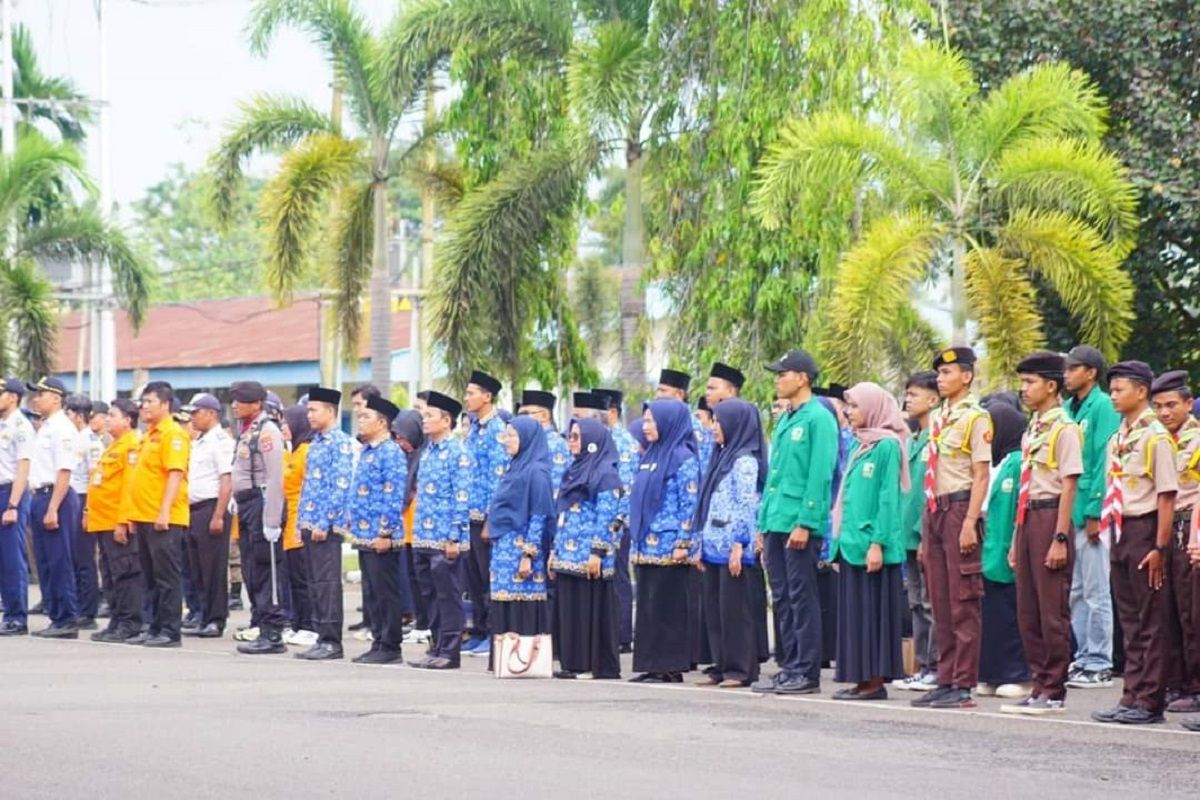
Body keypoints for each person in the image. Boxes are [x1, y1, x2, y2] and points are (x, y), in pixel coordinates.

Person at [1092, 361, 1177, 725]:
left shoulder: (1156, 436)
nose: (1112, 396)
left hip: (1146, 529)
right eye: (1111, 390)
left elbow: (1167, 496)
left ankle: (1150, 701)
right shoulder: (1119, 437)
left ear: (1141, 392)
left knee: (1150, 619)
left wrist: (1159, 548)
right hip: (1120, 528)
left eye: (1118, 390)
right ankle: (1131, 695)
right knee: (1129, 618)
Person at [999, 352, 1083, 716]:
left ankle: (1054, 688)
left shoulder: (1064, 428)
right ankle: (1038, 683)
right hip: (1029, 517)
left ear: (1051, 386)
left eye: (1031, 382)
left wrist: (1060, 537)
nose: (1024, 389)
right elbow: (1024, 485)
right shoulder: (1033, 428)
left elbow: (1068, 486)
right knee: (1027, 609)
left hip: (1052, 517)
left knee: (1052, 610)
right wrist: (1018, 538)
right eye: (1023, 382)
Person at [752, 351, 839, 695]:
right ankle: (789, 665)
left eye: (782, 374)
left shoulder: (819, 417)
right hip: (776, 519)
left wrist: (806, 521)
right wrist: (763, 524)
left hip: (798, 522)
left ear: (802, 377)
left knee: (803, 596)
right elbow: (775, 475)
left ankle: (807, 671)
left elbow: (821, 474)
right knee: (783, 596)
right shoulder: (788, 417)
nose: (777, 379)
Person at [912, 347, 992, 710]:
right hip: (936, 508)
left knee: (963, 601)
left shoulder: (976, 418)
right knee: (940, 599)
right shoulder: (940, 416)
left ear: (967, 376)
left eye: (947, 374)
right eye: (939, 374)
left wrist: (971, 522)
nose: (941, 380)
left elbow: (980, 474)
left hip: (961, 507)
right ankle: (945, 678)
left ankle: (962, 683)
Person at [829, 383, 908, 701]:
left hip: (871, 546)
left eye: (855, 406)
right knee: (855, 615)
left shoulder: (887, 446)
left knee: (872, 615)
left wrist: (878, 543)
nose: (849, 412)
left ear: (873, 408)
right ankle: (860, 678)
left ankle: (874, 681)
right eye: (847, 406)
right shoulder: (861, 444)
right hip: (852, 543)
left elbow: (889, 499)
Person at [629, 398, 700, 683]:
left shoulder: (682, 457)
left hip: (670, 545)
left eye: (650, 420)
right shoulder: (652, 454)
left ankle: (669, 666)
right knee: (648, 605)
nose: (646, 427)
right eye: (645, 421)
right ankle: (651, 663)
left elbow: (690, 503)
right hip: (646, 543)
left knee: (667, 605)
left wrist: (684, 543)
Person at [1063, 345, 1121, 689]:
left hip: (1091, 509)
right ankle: (1083, 656)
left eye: (1074, 369)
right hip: (1069, 510)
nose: (1067, 374)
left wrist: (1095, 510)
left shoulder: (1102, 407)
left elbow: (1104, 459)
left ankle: (1099, 661)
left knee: (1097, 589)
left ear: (1091, 373)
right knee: (1077, 589)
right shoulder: (1069, 408)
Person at [695, 398, 763, 688]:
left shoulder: (745, 460)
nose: (713, 427)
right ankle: (721, 663)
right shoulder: (720, 456)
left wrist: (739, 543)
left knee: (736, 611)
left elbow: (747, 505)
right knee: (716, 610)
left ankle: (740, 669)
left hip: (734, 547)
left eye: (719, 421)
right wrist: (699, 543)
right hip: (713, 546)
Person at [550, 418, 623, 680]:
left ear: (592, 442)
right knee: (571, 611)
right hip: (568, 552)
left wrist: (597, 552)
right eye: (570, 436)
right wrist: (554, 551)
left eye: (577, 437)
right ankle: (574, 663)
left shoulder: (606, 473)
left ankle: (593, 665)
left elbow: (607, 516)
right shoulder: (572, 470)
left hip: (591, 555)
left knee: (590, 610)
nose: (571, 441)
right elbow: (562, 514)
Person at [340, 395, 407, 665]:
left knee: (385, 591)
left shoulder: (390, 451)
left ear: (382, 423)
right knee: (372, 591)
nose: (360, 420)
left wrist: (386, 533)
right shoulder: (368, 451)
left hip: (381, 535)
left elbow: (393, 496)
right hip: (364, 532)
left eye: (366, 417)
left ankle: (390, 645)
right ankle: (378, 640)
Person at [121, 381, 190, 647]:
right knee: (149, 576)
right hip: (144, 515)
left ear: (165, 404)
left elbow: (175, 473)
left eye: (149, 401)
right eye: (143, 401)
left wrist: (164, 512)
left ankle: (170, 631)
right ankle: (154, 626)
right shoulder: (148, 435)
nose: (144, 406)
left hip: (165, 518)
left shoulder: (173, 434)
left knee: (167, 577)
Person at [408, 391, 473, 670]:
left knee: (448, 596)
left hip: (446, 538)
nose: (424, 420)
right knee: (429, 595)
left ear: (446, 421)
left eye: (430, 416)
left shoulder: (457, 452)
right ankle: (435, 646)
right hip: (424, 535)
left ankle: (450, 650)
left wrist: (455, 537)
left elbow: (462, 496)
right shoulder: (428, 451)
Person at [1148, 371, 1200, 713]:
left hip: (1191, 529)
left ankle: (1195, 687)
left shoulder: (1196, 440)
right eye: (1158, 407)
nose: (1165, 413)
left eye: (1171, 405)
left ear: (1187, 403)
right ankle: (1175, 682)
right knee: (1165, 610)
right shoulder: (1159, 440)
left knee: (1190, 611)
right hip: (1165, 529)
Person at [487, 415, 555, 672]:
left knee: (522, 603)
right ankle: (503, 660)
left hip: (521, 550)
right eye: (506, 435)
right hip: (503, 548)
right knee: (503, 603)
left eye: (512, 435)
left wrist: (528, 554)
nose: (507, 441)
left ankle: (525, 660)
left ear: (527, 439)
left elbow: (539, 515)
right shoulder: (515, 466)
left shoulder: (536, 471)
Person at [976, 398, 1032, 700]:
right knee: (990, 616)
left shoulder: (1017, 462)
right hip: (989, 552)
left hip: (1006, 551)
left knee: (1010, 616)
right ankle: (990, 673)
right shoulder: (996, 464)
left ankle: (1017, 675)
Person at [293, 387, 354, 661]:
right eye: (308, 410)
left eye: (314, 410)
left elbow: (340, 486)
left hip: (325, 526)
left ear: (330, 412)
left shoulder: (339, 443)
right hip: (309, 520)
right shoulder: (316, 442)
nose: (309, 415)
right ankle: (320, 636)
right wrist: (301, 520)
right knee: (314, 582)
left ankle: (332, 641)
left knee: (327, 582)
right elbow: (309, 484)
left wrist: (324, 521)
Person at [230, 381, 288, 656]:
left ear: (256, 404)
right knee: (252, 569)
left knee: (266, 570)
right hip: (247, 503)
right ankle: (262, 625)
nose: (234, 405)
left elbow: (275, 477)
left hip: (261, 503)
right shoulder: (248, 431)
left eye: (240, 401)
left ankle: (273, 632)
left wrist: (272, 519)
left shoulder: (267, 432)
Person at [894, 371, 940, 691]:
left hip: (925, 533)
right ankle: (923, 664)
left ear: (933, 399)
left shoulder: (938, 438)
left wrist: (925, 534)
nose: (908, 400)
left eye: (914, 394)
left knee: (930, 602)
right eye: (907, 394)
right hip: (906, 536)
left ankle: (936, 665)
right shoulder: (912, 440)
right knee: (915, 601)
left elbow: (932, 490)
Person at [26, 377, 82, 638]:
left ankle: (68, 618)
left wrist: (52, 508)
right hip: (40, 496)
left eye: (42, 394)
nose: (37, 398)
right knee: (46, 562)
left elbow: (64, 470)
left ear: (57, 398)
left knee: (60, 560)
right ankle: (56, 616)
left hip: (55, 497)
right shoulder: (46, 426)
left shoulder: (62, 428)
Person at [87, 399, 144, 643]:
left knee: (125, 574)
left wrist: (123, 521)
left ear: (127, 420)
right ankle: (116, 620)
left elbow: (130, 487)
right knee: (109, 574)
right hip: (102, 521)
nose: (107, 419)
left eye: (113, 415)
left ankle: (130, 623)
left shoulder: (132, 445)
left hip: (115, 521)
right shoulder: (113, 445)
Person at [463, 369, 510, 658]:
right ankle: (478, 630)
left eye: (471, 393)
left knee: (488, 576)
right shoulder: (474, 429)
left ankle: (492, 633)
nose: (467, 398)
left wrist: (492, 520)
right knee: (473, 579)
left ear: (487, 396)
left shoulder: (497, 430)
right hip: (470, 515)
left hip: (486, 518)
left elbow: (498, 478)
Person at [179, 393, 233, 639]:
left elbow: (226, 480)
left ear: (211, 414)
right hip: (194, 509)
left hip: (212, 508)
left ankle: (215, 618)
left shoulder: (221, 441)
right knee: (196, 568)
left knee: (213, 568)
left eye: (196, 413)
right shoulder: (200, 441)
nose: (192, 418)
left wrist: (219, 515)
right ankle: (201, 613)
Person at [593, 388, 639, 653]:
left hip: (618, 521)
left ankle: (622, 635)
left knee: (618, 575)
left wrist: (618, 521)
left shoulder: (622, 442)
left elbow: (626, 485)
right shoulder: (600, 439)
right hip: (600, 518)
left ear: (611, 413)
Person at [392, 409, 430, 646]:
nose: (400, 442)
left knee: (424, 580)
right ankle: (420, 621)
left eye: (403, 437)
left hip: (422, 528)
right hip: (405, 528)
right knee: (412, 578)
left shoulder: (425, 456)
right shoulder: (406, 458)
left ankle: (426, 623)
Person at [65, 394, 103, 629]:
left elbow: (95, 478)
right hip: (71, 497)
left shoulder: (92, 442)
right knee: (73, 557)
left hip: (84, 499)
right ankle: (77, 605)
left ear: (79, 416)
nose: (66, 417)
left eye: (69, 413)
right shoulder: (72, 438)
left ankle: (88, 612)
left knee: (84, 558)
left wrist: (89, 509)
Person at [0, 378, 34, 636]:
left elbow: (23, 467)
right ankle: (8, 611)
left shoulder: (21, 426)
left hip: (10, 493)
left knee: (12, 558)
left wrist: (13, 504)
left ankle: (16, 617)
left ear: (12, 397)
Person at [280, 404, 316, 647]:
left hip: (301, 519)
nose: (283, 427)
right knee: (292, 577)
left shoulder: (307, 451)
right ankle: (297, 622)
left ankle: (310, 625)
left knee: (304, 578)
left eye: (286, 422)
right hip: (288, 519)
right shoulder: (291, 452)